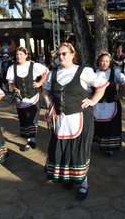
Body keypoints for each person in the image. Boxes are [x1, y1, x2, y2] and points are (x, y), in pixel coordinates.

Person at [42, 42, 108, 200]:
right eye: (59, 54)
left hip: (80, 118)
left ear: (73, 54)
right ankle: (68, 178)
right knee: (63, 150)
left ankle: (83, 183)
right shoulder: (52, 73)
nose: (61, 56)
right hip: (61, 120)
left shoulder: (83, 71)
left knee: (78, 151)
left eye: (65, 53)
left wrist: (93, 101)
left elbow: (102, 85)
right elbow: (45, 90)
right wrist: (50, 104)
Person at [6, 47, 48, 151]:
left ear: (26, 55)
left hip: (33, 96)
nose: (18, 56)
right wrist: (15, 88)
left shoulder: (33, 66)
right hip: (21, 99)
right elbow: (10, 82)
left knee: (32, 119)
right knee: (24, 120)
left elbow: (46, 72)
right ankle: (29, 139)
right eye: (17, 54)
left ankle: (31, 140)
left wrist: (40, 83)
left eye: (21, 54)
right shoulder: (12, 68)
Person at [93, 52, 125, 157]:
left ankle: (109, 147)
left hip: (111, 103)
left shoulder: (115, 73)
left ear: (110, 62)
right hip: (97, 104)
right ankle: (100, 143)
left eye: (107, 61)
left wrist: (121, 95)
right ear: (98, 61)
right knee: (99, 125)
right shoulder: (93, 73)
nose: (104, 63)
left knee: (110, 127)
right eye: (102, 61)